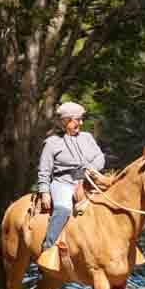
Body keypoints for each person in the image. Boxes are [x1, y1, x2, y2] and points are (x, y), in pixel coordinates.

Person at [36, 101, 105, 255]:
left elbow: (100, 157)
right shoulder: (52, 143)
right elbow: (44, 170)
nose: (81, 122)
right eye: (77, 119)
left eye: (81, 119)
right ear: (66, 121)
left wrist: (90, 169)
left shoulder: (87, 137)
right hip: (63, 183)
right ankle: (47, 249)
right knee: (63, 209)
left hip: (89, 180)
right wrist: (44, 192)